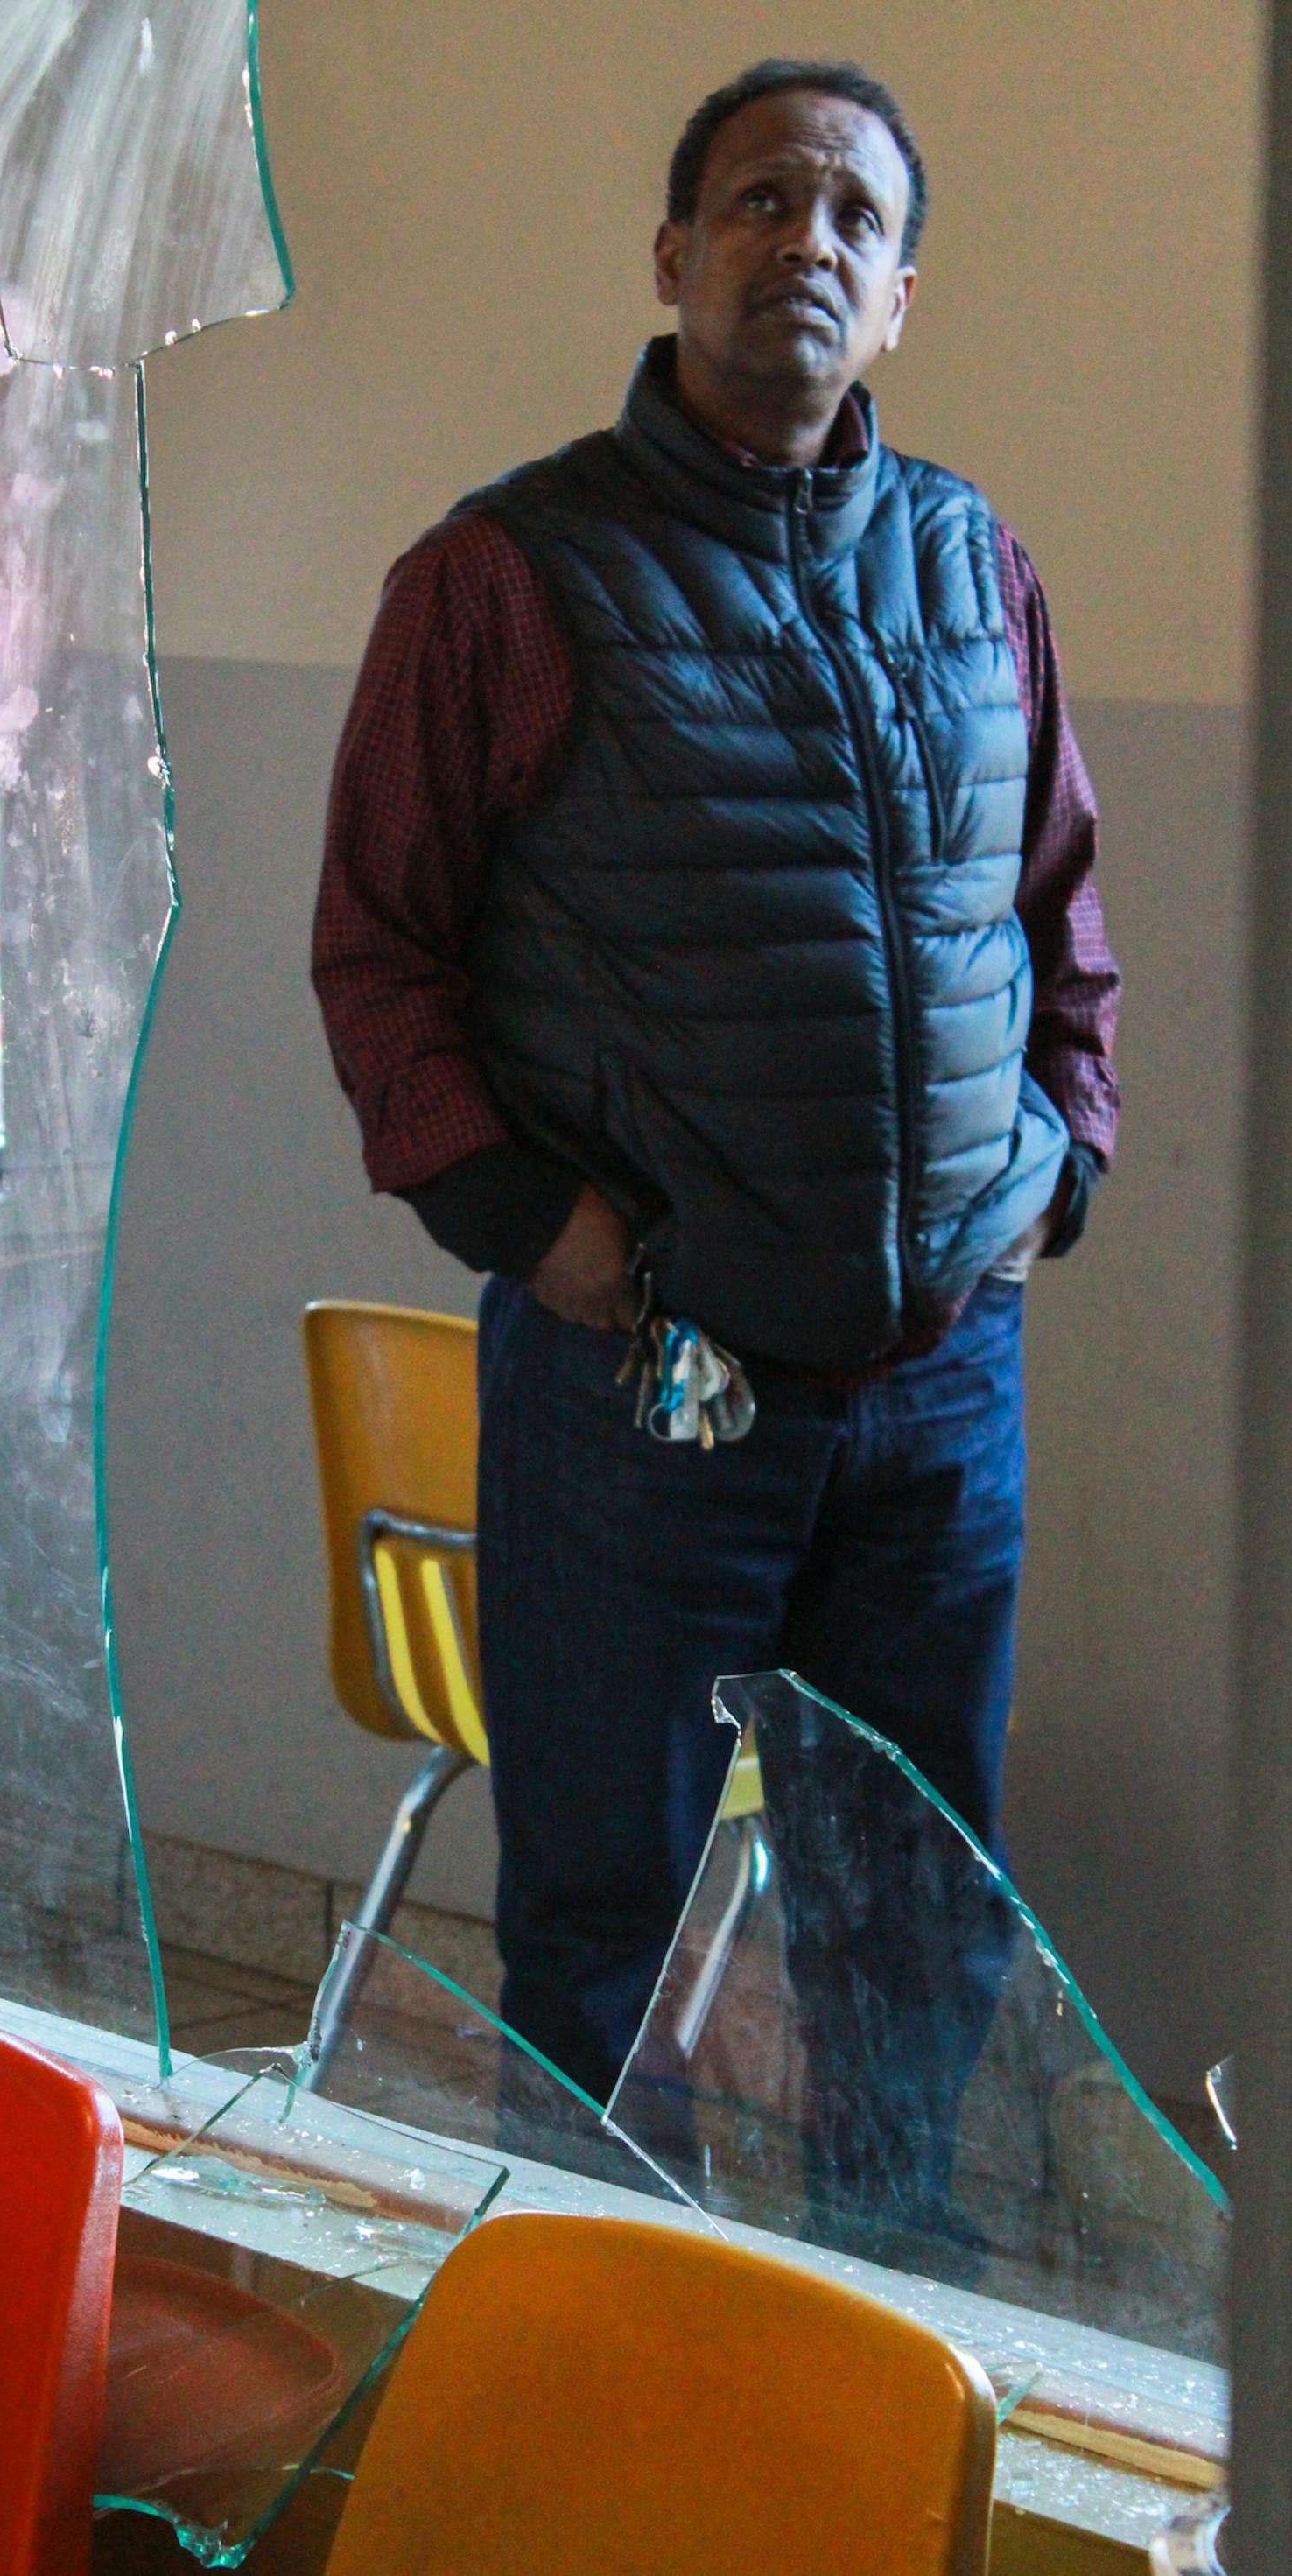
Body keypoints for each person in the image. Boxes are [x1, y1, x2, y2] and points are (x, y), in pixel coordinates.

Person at [312, 59, 1120, 2111]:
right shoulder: (503, 580)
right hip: (645, 1398)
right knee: (610, 1939)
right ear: (676, 256)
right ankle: (598, 2397)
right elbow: (378, 956)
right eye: (763, 203)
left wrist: (1060, 1166)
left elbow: (1057, 915)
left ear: (905, 293)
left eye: (856, 217)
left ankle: (885, 2348)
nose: (809, 244)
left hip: (942, 1398)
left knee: (917, 1925)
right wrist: (539, 1227)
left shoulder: (974, 563)